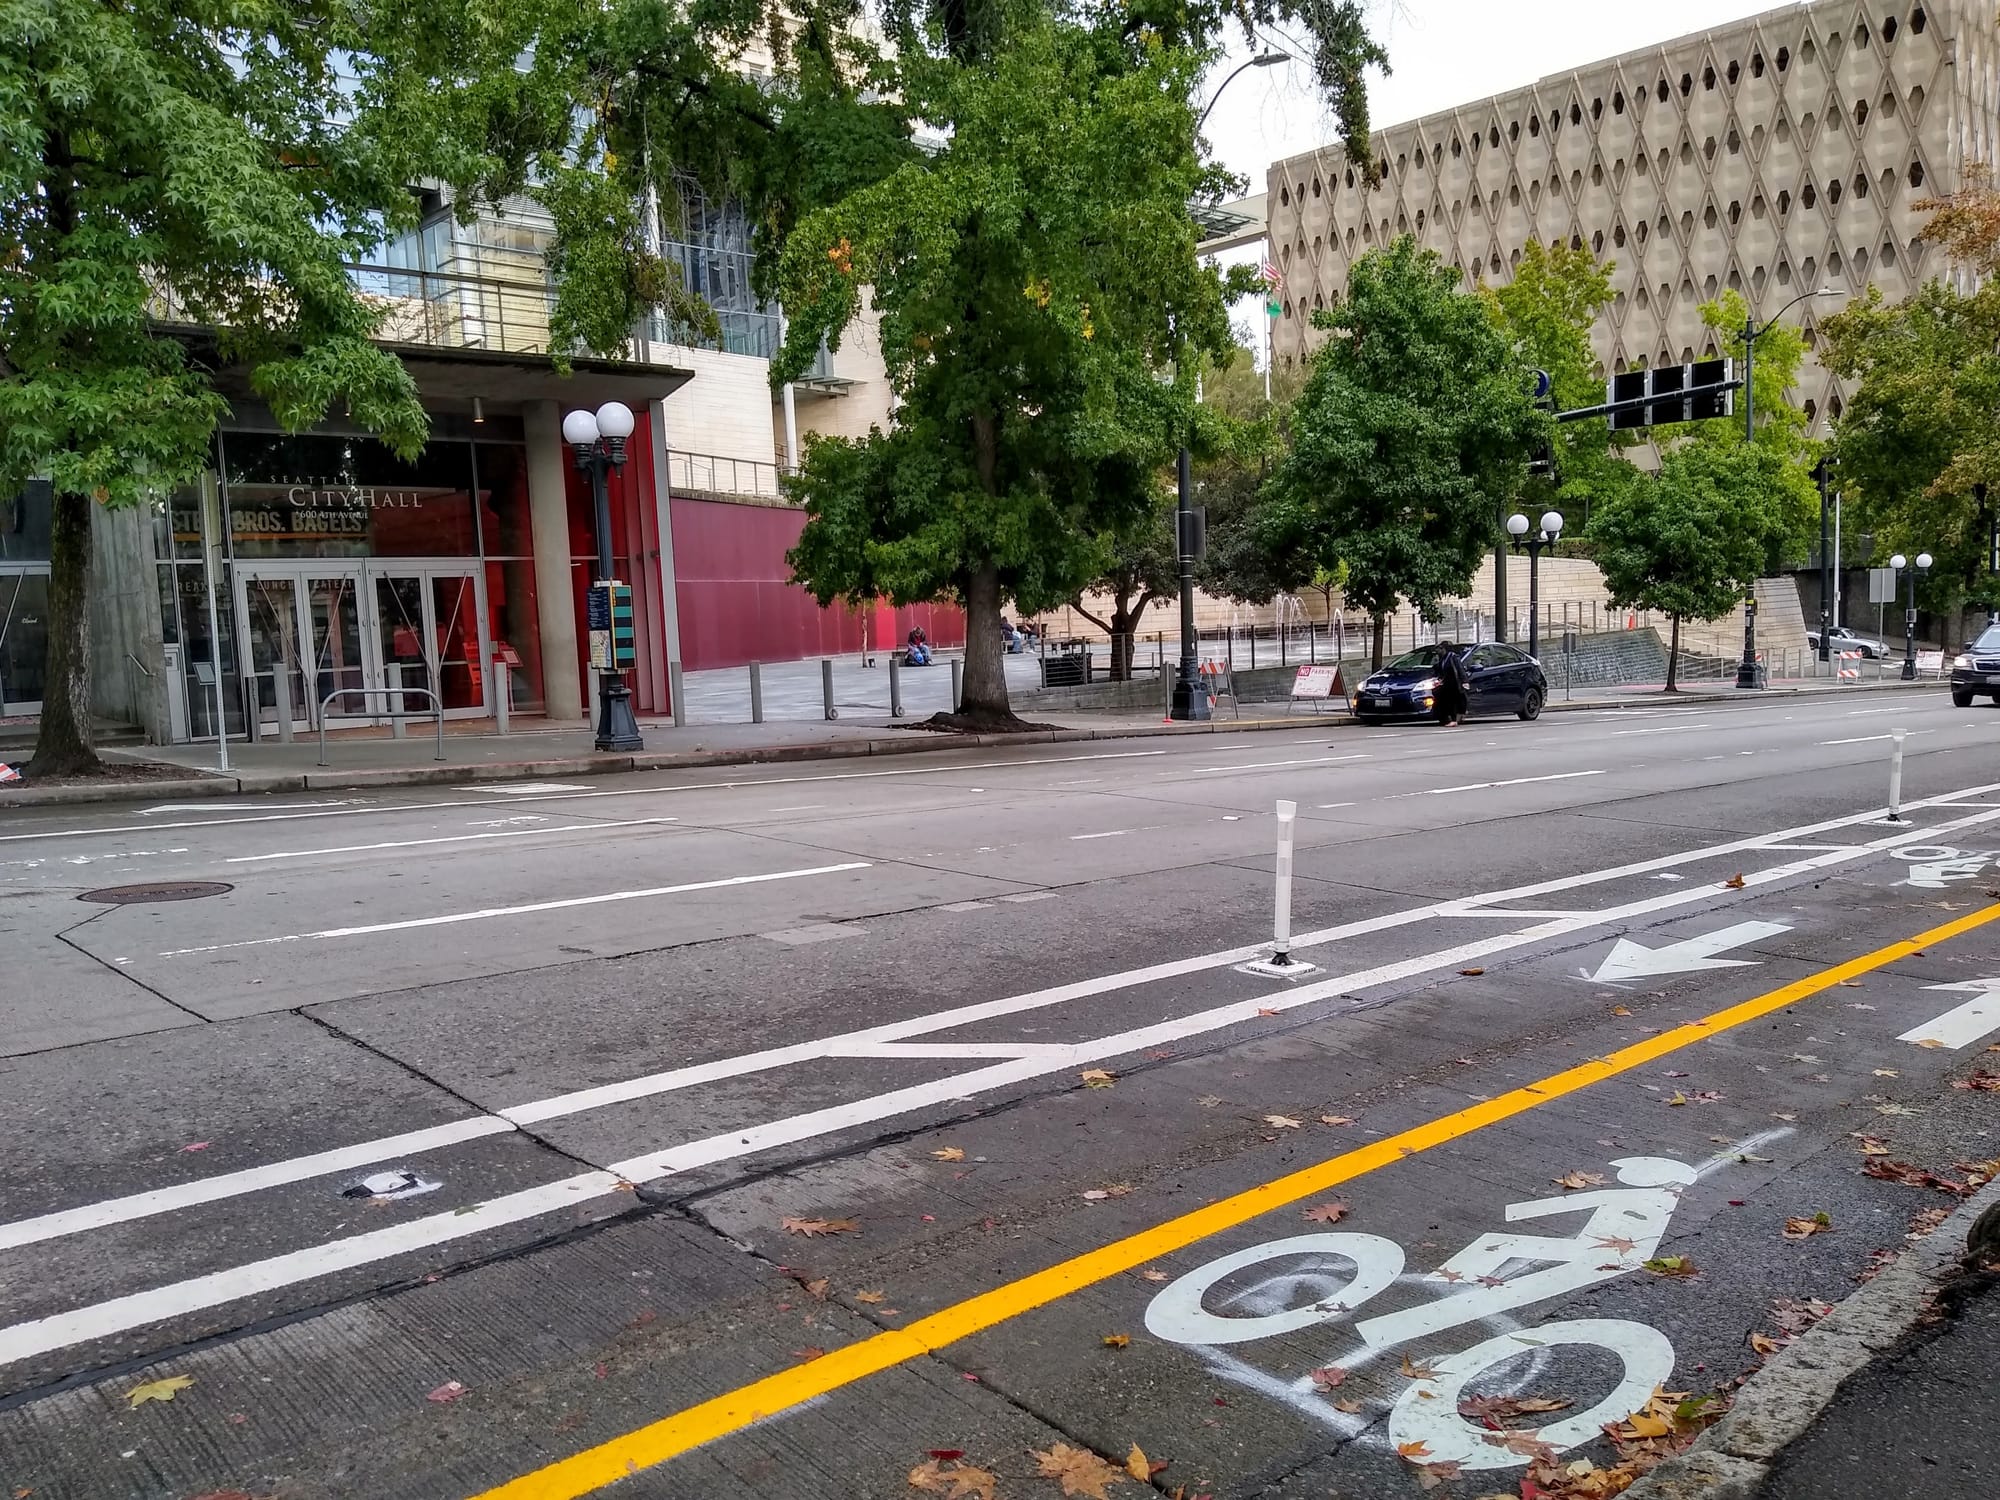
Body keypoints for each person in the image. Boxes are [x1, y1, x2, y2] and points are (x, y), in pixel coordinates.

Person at [1434, 642, 1470, 726]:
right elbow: (1441, 670)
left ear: (1444, 649)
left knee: (1453, 701)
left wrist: (1464, 681)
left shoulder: (1453, 657)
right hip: (1446, 683)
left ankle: (1455, 719)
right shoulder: (1442, 658)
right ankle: (1454, 718)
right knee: (1448, 701)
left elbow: (1460, 669)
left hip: (1454, 683)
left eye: (1439, 649)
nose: (1437, 651)